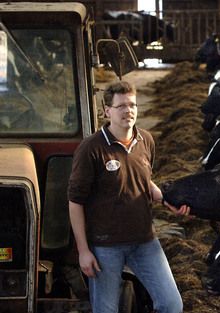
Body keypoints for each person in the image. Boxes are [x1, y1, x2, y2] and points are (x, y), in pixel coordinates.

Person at [68, 80, 189, 313]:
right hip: (105, 246)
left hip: (144, 241)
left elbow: (143, 180)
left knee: (172, 304)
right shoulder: (91, 148)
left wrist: (165, 200)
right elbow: (75, 203)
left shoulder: (146, 140)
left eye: (132, 105)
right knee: (106, 310)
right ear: (107, 111)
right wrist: (83, 251)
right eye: (121, 106)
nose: (129, 110)